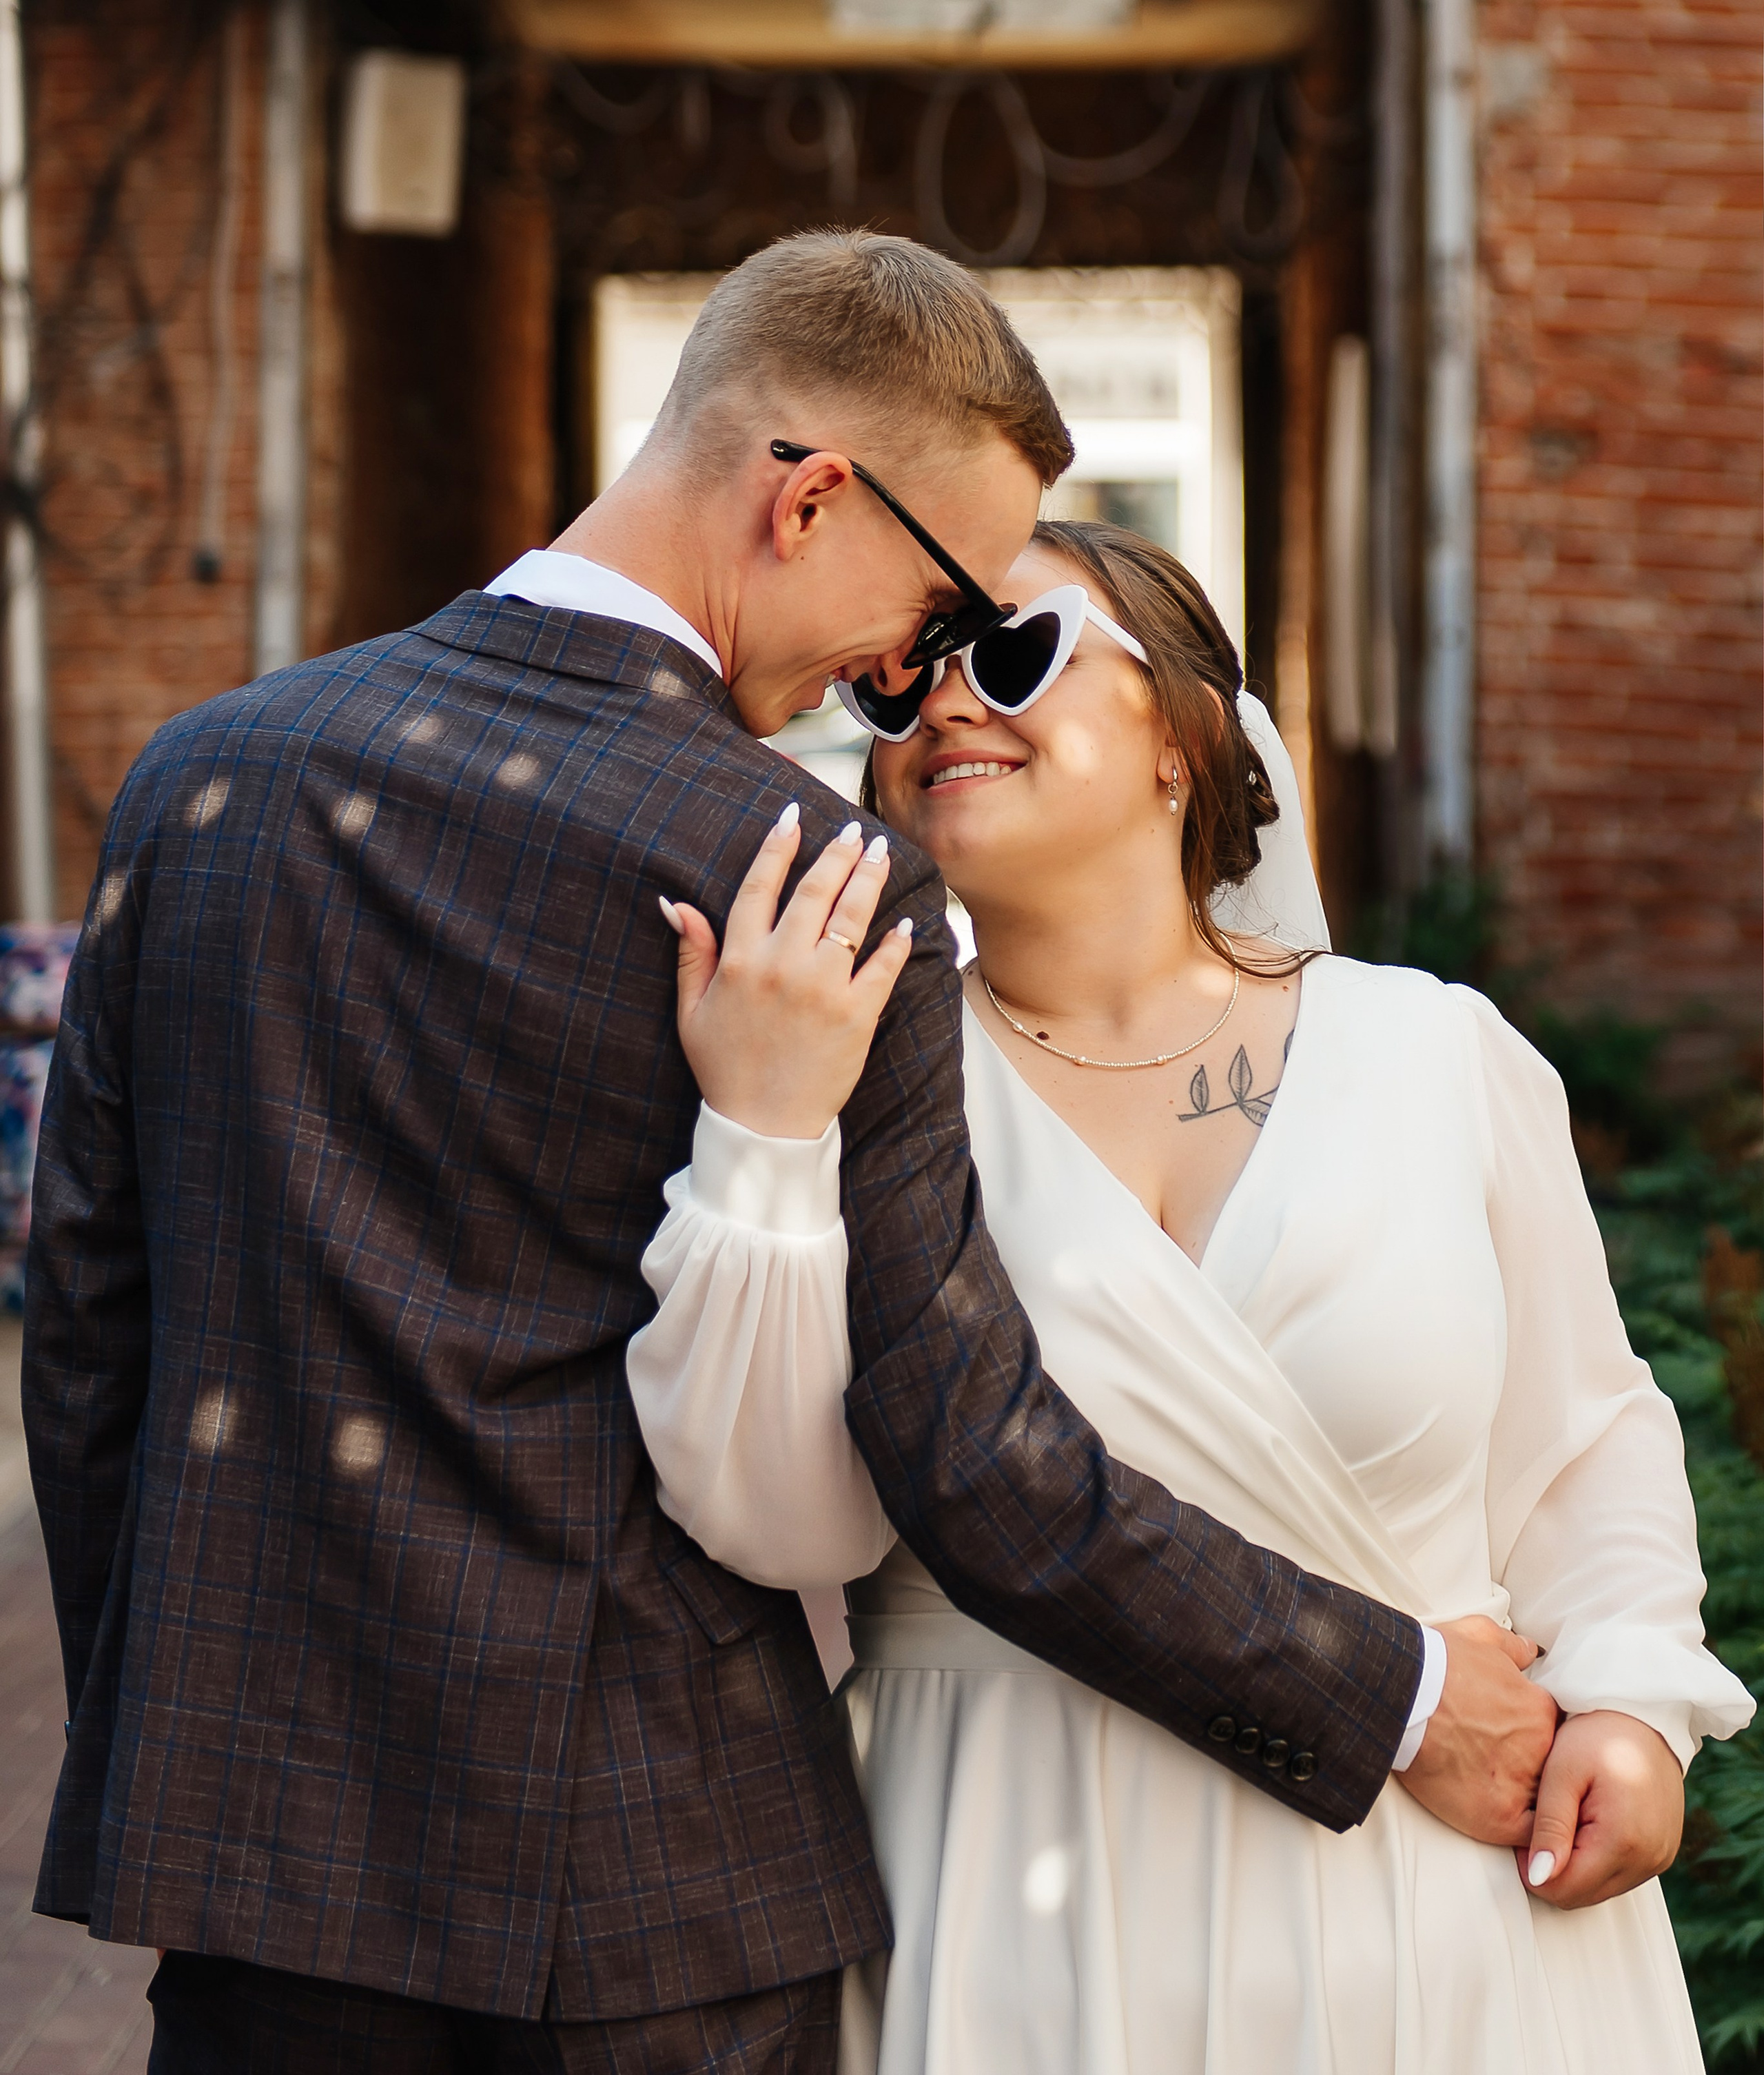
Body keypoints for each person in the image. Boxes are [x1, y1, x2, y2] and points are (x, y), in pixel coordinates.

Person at [25, 234, 1552, 2075]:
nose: (907, 673)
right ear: (811, 498)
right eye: (935, 604)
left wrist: (184, 1753)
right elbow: (971, 1458)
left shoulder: (200, 782)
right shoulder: (804, 877)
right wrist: (1393, 1693)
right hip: (659, 1892)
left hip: (261, 1883)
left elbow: (91, 1341)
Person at [629, 513, 1754, 2074]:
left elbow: (1587, 1438)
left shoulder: (1435, 1053)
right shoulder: (850, 1083)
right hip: (1012, 1883)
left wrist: (1630, 1702)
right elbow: (775, 1520)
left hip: (1436, 1889)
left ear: (1185, 736)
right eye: (896, 679)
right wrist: (759, 1135)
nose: (941, 700)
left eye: (1010, 653)